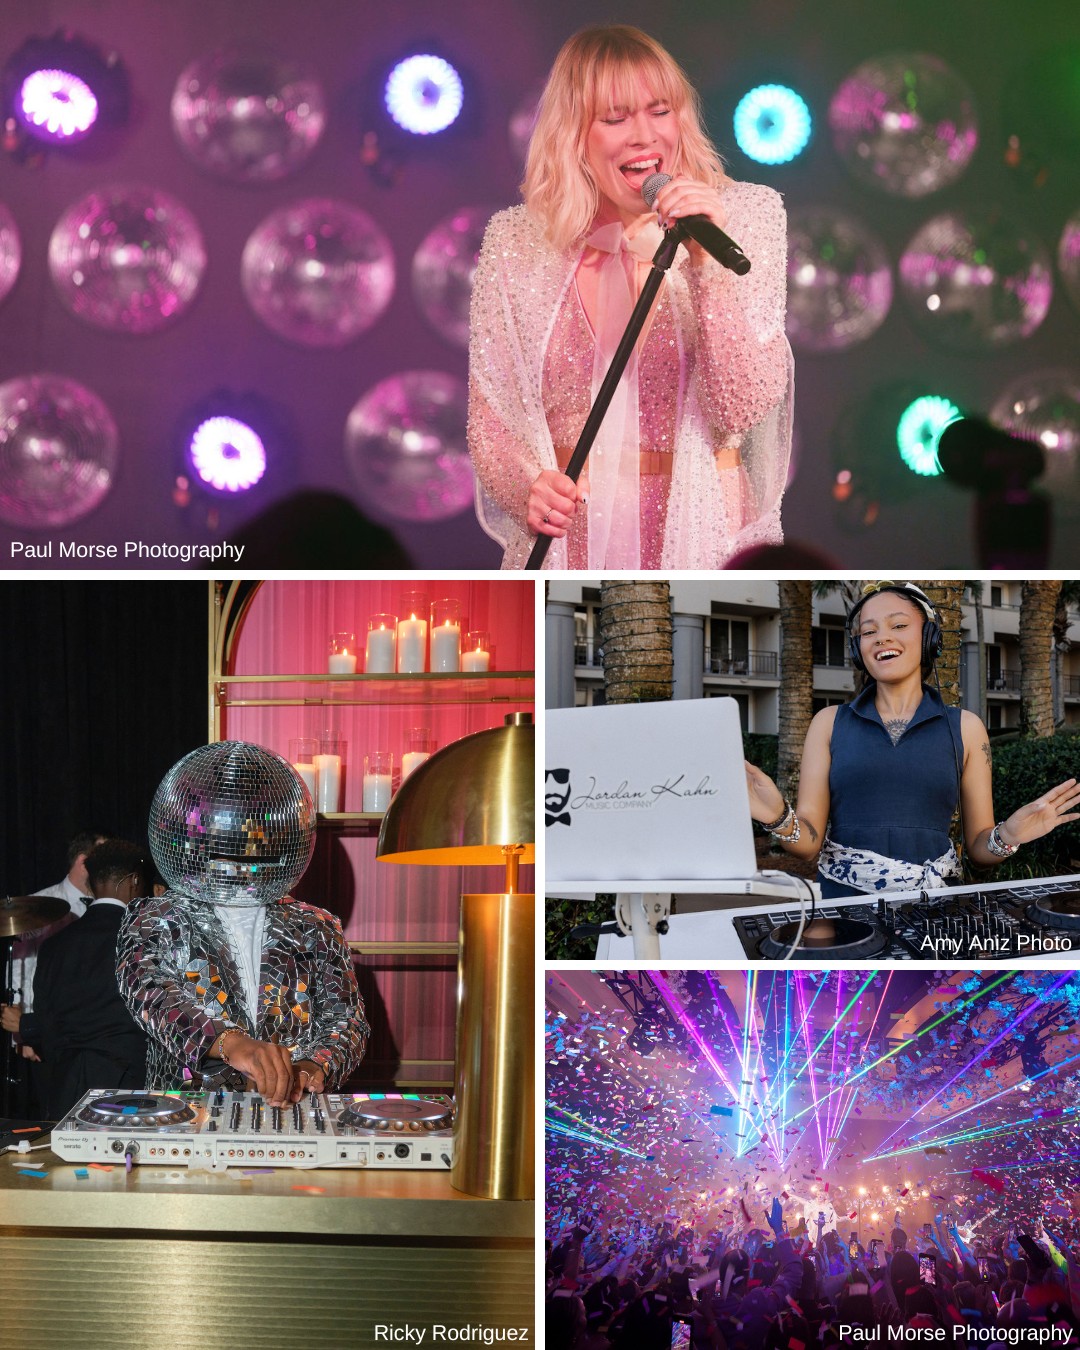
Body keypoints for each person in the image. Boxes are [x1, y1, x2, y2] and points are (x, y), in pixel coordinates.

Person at [468, 24, 792, 571]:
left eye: (660, 111)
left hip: (701, 528)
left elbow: (745, 403)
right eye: (616, 119)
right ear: (574, 135)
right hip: (575, 541)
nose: (644, 136)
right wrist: (529, 488)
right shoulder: (518, 241)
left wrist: (705, 267)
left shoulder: (745, 218)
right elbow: (492, 421)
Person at [744, 581, 1080, 897]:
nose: (881, 638)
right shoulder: (829, 723)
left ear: (929, 638)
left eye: (898, 625)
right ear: (858, 648)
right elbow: (808, 845)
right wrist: (777, 816)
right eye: (868, 631)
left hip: (934, 910)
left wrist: (1007, 836)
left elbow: (980, 851)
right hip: (844, 907)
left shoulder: (966, 728)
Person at [116, 742, 369, 1107]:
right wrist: (232, 1044)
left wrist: (310, 1068)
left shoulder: (317, 925)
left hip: (293, 1112)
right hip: (188, 1117)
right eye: (228, 832)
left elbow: (348, 1022)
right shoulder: (154, 917)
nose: (241, 846)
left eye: (253, 830)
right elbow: (152, 996)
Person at [28, 839, 151, 1120]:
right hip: (129, 1084)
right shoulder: (143, 940)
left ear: (92, 884)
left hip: (65, 1084)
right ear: (134, 881)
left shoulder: (54, 944)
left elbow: (45, 1018)